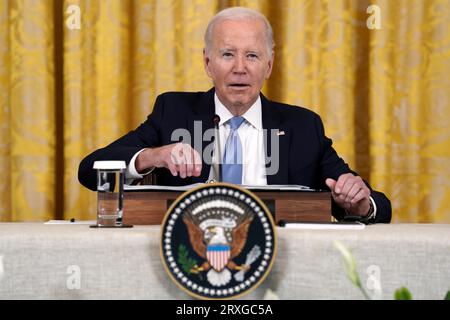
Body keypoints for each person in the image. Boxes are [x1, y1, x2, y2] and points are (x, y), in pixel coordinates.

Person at [78, 7, 391, 223]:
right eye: (227, 54)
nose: (240, 68)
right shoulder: (173, 112)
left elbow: (377, 205)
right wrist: (153, 156)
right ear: (208, 63)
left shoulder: (302, 126)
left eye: (252, 56)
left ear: (268, 66)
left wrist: (360, 203)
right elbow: (90, 169)